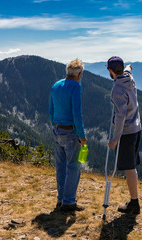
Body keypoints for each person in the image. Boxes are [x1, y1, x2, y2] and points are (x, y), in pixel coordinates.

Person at [49, 59, 87, 212]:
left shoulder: (56, 85)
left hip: (58, 129)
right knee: (73, 167)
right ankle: (69, 201)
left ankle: (61, 198)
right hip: (71, 132)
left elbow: (51, 111)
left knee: (60, 166)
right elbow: (77, 113)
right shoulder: (76, 87)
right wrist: (82, 135)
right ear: (79, 74)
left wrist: (56, 126)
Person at [107, 56, 142, 214]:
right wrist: (129, 67)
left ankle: (134, 203)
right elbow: (128, 70)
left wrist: (115, 138)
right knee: (131, 166)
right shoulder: (129, 78)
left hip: (126, 132)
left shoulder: (117, 89)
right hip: (136, 127)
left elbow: (120, 115)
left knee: (129, 167)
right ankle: (134, 201)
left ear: (111, 71)